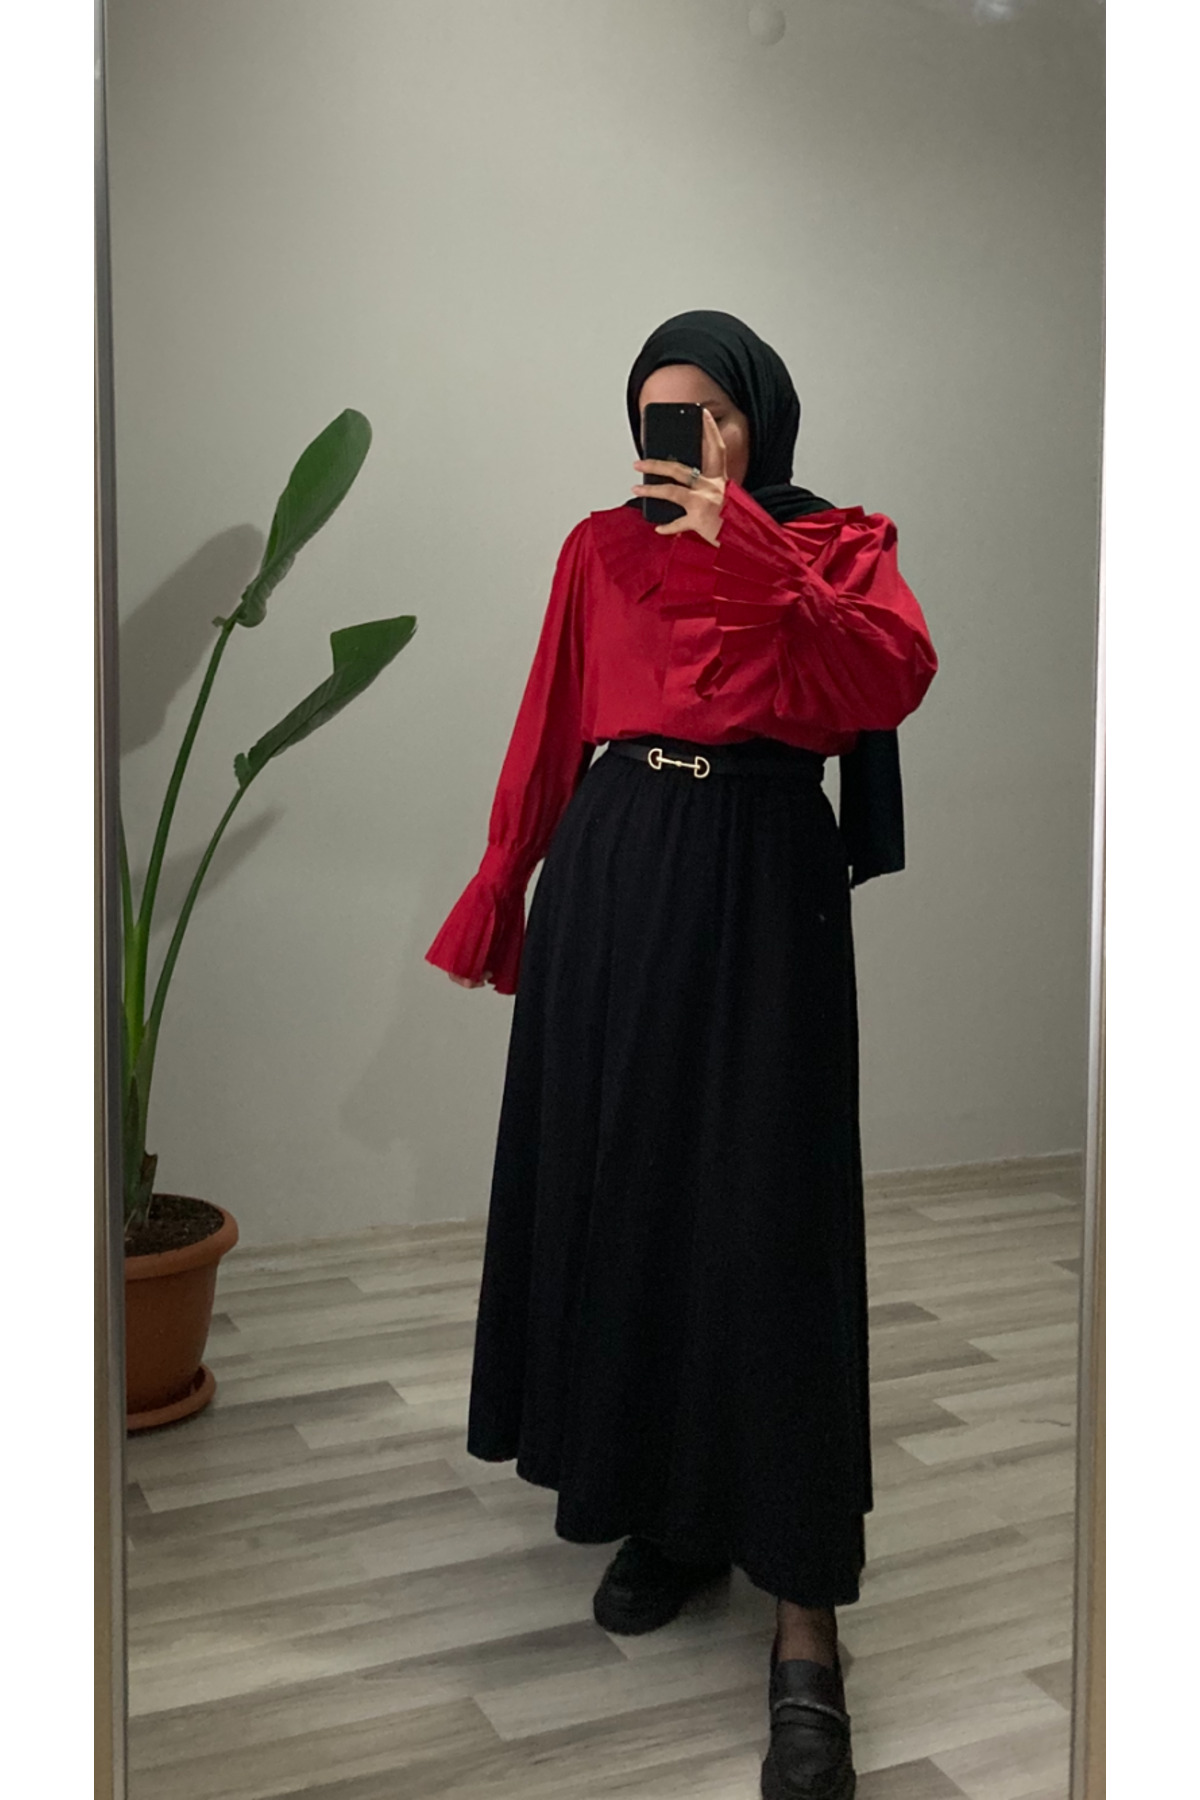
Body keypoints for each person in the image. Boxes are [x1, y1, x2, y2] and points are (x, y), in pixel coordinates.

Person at [425, 309, 938, 1799]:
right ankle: (669, 1512)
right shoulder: (599, 550)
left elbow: (884, 680)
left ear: (760, 416)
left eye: (709, 411)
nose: (684, 440)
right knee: (634, 1197)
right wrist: (505, 881)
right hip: (621, 869)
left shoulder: (835, 545)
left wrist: (748, 544)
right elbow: (549, 724)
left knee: (771, 1228)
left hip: (767, 881)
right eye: (659, 413)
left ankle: (806, 1625)